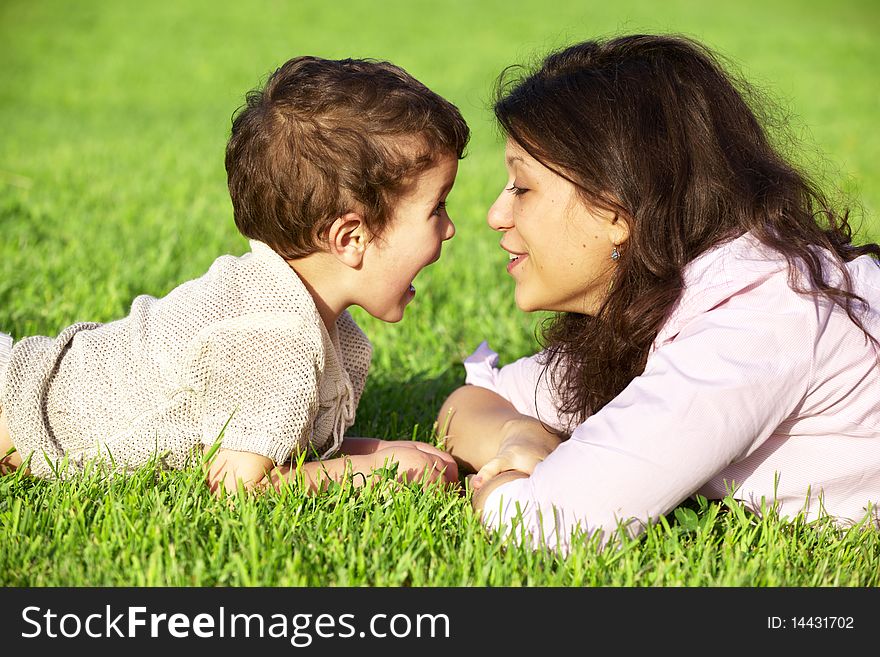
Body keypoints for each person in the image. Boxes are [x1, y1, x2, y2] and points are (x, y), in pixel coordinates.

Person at [437, 34, 880, 553]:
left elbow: (552, 523)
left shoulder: (758, 319)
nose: (496, 215)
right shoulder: (671, 297)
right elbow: (471, 402)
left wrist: (501, 490)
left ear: (616, 211)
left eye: (523, 187)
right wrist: (519, 436)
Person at [0, 55, 464, 495]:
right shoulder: (275, 339)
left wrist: (383, 450)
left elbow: (286, 450)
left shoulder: (312, 318)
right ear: (349, 238)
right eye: (436, 207)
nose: (449, 228)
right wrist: (377, 469)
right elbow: (241, 486)